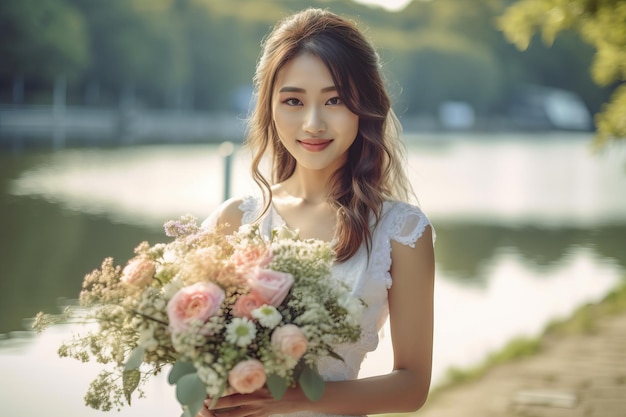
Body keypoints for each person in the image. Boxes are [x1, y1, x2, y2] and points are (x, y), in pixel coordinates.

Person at [199, 7, 435, 417]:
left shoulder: (402, 231)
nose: (313, 123)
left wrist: (287, 400)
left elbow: (412, 386)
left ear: (364, 107)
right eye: (293, 100)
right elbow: (199, 359)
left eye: (335, 100)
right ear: (269, 107)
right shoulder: (234, 221)